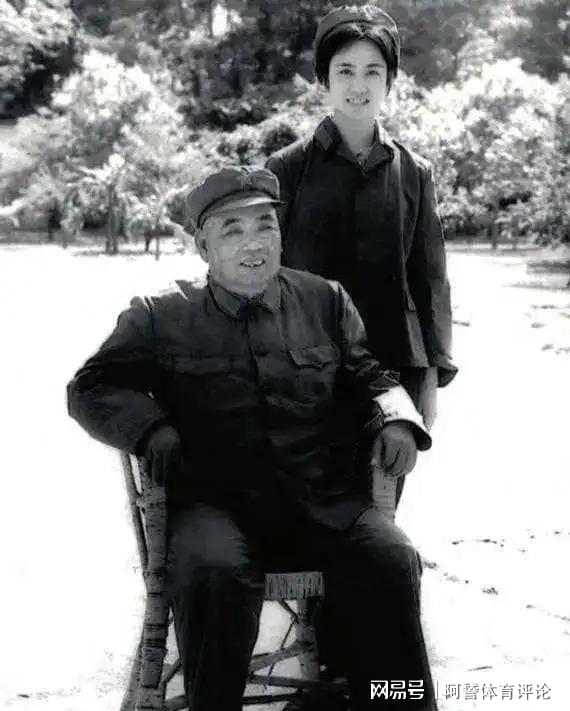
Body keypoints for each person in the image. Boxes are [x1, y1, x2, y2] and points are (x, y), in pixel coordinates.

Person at [67, 166, 438, 711]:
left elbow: (371, 376)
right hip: (215, 509)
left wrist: (399, 418)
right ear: (204, 246)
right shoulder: (160, 314)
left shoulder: (325, 300)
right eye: (233, 230)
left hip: (322, 503)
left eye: (265, 225)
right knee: (214, 573)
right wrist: (149, 429)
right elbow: (90, 387)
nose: (254, 244)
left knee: (393, 558)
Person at [266, 5, 458, 505]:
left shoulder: (414, 172)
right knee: (302, 514)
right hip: (303, 373)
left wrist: (430, 378)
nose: (359, 85)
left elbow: (430, 280)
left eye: (373, 71)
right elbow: (262, 274)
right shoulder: (286, 169)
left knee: (377, 511)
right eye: (345, 71)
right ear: (323, 80)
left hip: (393, 375)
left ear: (390, 81)